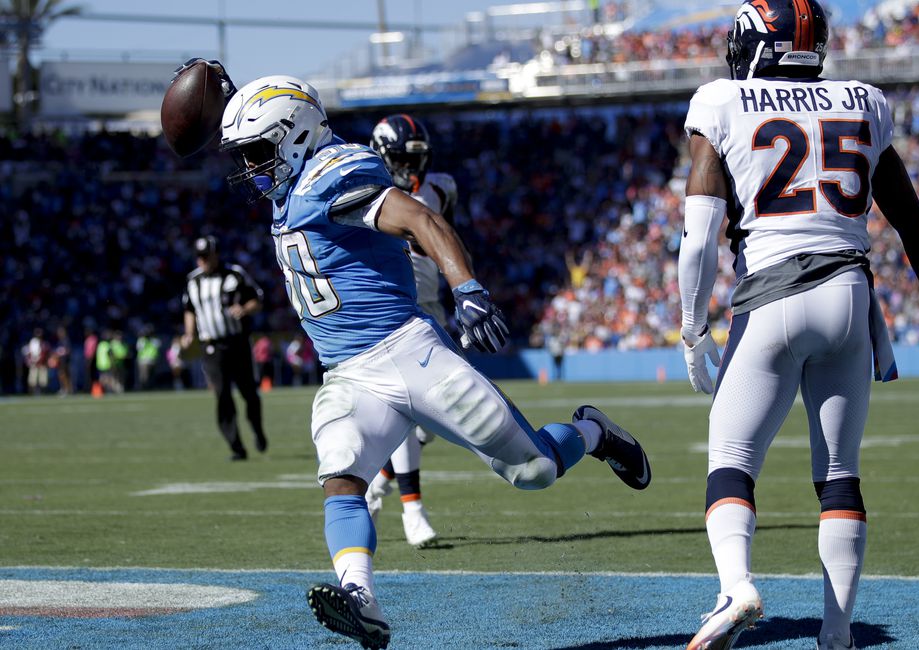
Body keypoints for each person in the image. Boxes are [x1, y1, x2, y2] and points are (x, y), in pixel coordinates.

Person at [213, 70, 652, 649]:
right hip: (348, 373)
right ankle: (360, 599)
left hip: (409, 351)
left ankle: (592, 433)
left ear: (294, 136)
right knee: (340, 475)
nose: (252, 167)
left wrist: (468, 289)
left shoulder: (333, 172)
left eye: (259, 151)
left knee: (535, 471)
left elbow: (422, 219)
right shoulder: (294, 180)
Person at [677, 2, 919, 649]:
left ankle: (736, 586)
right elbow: (915, 226)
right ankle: (837, 635)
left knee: (731, 459)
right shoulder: (864, 100)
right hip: (848, 297)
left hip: (770, 295)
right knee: (839, 470)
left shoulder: (721, 100)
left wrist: (693, 328)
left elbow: (697, 240)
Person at [363, 113, 462, 548]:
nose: (413, 167)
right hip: (392, 308)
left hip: (433, 305)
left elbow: (444, 233)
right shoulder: (363, 187)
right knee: (409, 412)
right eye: (405, 158)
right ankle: (413, 510)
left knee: (434, 420)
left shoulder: (441, 187)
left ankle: (380, 481)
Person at [181, 235, 268, 460]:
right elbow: (189, 308)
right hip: (211, 345)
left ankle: (257, 430)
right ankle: (236, 447)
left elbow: (257, 299)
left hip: (237, 341)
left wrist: (244, 309)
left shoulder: (235, 274)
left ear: (216, 255)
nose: (202, 261)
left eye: (206, 256)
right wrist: (189, 333)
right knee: (222, 395)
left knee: (249, 393)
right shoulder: (193, 280)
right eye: (199, 257)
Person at [22, 328, 49, 395]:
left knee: (43, 380)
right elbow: (30, 353)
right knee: (32, 379)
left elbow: (44, 353)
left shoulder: (44, 342)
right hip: (34, 362)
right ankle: (32, 393)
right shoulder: (33, 342)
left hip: (42, 363)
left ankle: (42, 393)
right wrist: (31, 360)